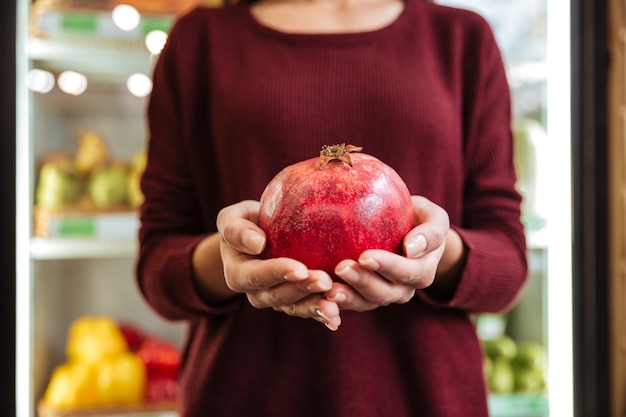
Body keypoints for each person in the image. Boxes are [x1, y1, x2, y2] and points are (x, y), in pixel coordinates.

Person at [136, 0, 528, 415]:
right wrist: (232, 258)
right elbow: (157, 267)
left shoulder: (462, 38)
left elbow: (507, 264)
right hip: (244, 396)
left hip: (428, 398)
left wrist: (434, 251)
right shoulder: (198, 40)